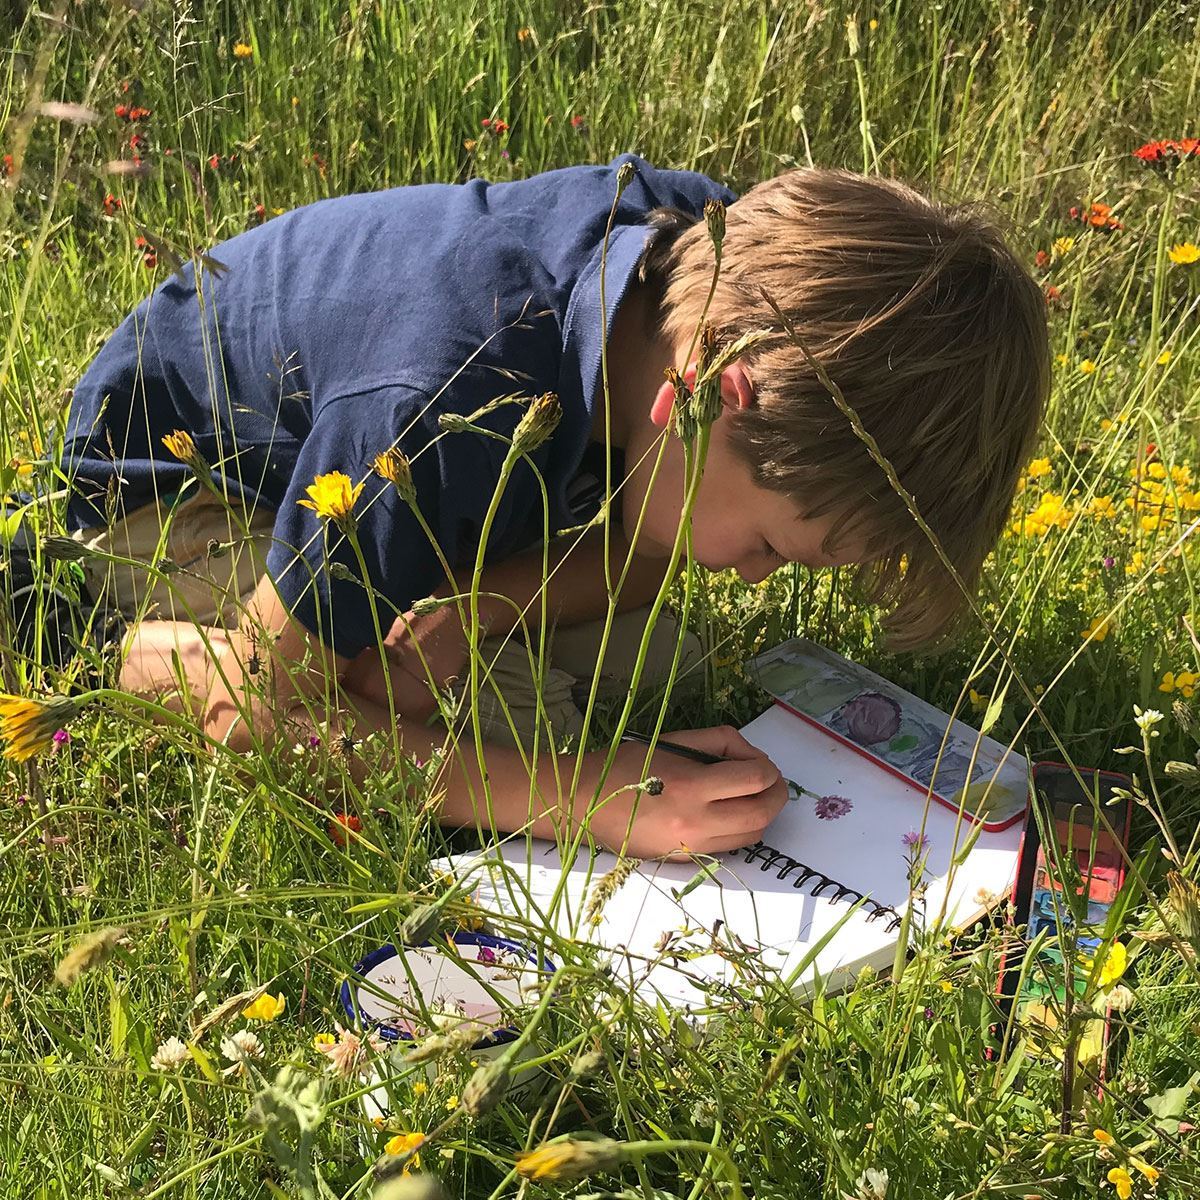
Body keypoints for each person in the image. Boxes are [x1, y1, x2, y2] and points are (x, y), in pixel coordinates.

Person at [27, 152, 1048, 859]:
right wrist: (584, 797)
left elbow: (652, 552)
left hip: (403, 485)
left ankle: (373, 618)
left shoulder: (719, 273)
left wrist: (476, 609)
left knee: (663, 656)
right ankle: (78, 634)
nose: (752, 577)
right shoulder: (444, 393)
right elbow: (246, 718)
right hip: (174, 494)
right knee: (471, 716)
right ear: (705, 398)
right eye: (776, 546)